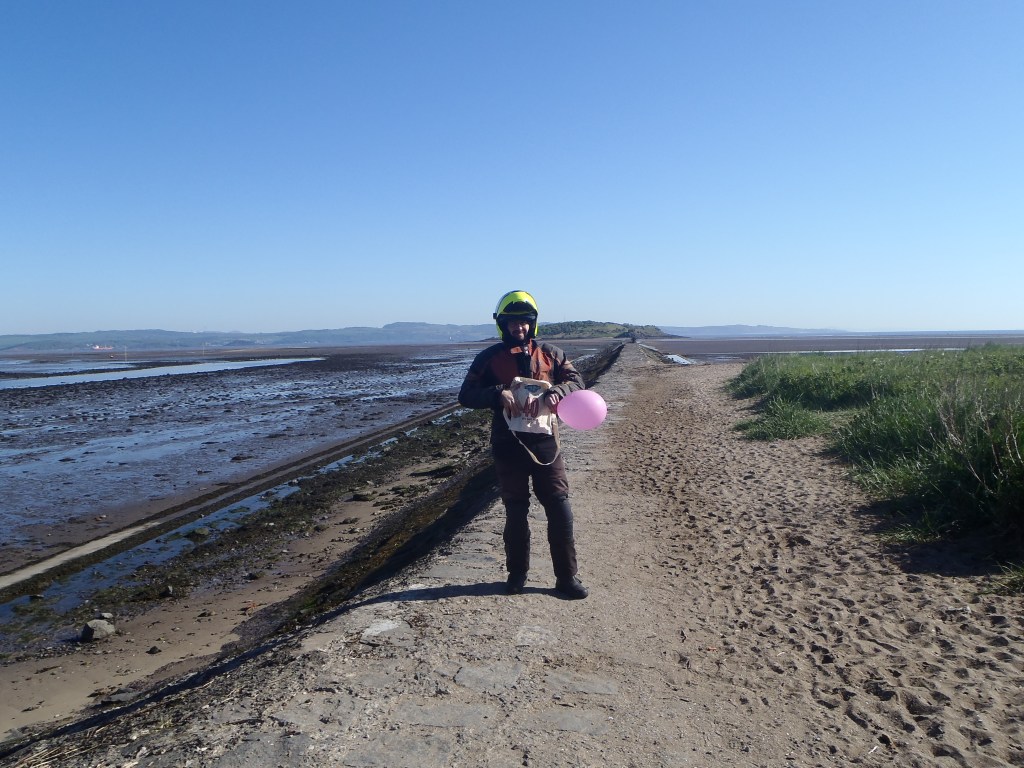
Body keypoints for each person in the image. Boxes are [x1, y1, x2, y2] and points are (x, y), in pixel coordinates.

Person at [458, 290, 589, 599]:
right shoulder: (488, 358)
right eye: (513, 323)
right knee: (515, 511)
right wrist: (496, 394)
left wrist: (557, 392)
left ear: (533, 323)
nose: (519, 327)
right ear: (503, 325)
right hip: (508, 443)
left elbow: (577, 382)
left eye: (524, 322)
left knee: (559, 506)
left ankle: (566, 578)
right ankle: (516, 575)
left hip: (545, 443)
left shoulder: (551, 353)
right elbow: (466, 394)